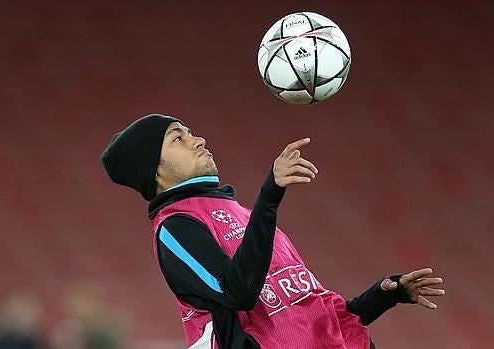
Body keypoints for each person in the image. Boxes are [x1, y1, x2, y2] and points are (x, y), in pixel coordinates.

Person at [101, 114, 445, 349]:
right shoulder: (175, 229)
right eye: (179, 138)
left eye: (191, 132)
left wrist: (382, 297)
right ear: (154, 170)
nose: (198, 140)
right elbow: (237, 293)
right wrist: (269, 197)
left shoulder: (242, 214)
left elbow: (312, 310)